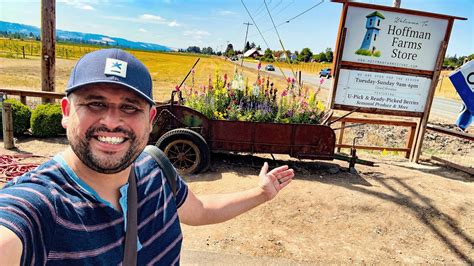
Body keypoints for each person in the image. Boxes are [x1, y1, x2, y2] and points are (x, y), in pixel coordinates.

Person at [0, 49, 294, 265]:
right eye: (95, 103)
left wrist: (261, 193)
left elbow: (200, 209)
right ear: (66, 112)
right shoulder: (40, 207)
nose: (112, 121)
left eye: (130, 107)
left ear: (151, 119)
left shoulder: (156, 168)